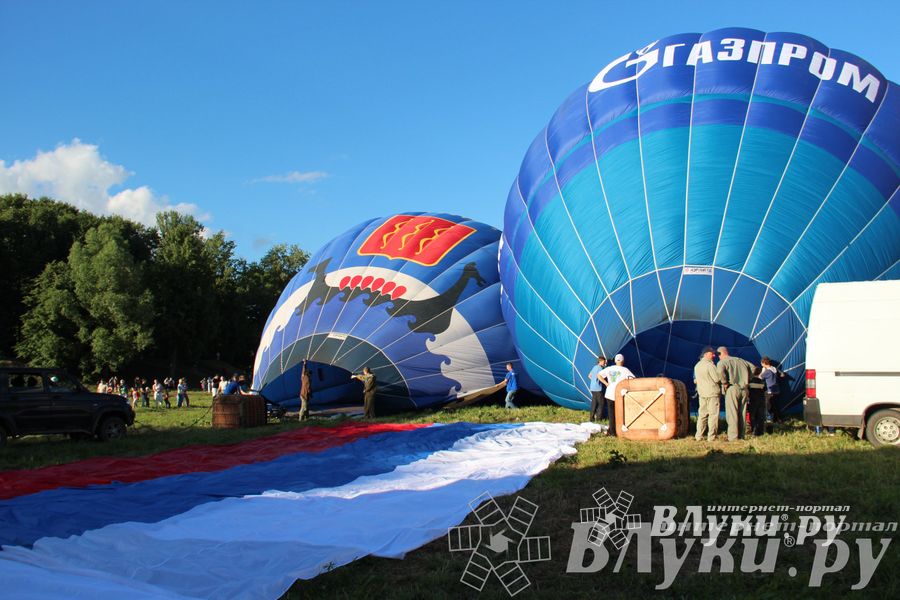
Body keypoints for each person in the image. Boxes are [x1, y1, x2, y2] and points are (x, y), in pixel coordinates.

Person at [717, 346, 755, 441]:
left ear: (720, 354)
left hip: (732, 388)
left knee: (732, 413)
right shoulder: (741, 360)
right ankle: (741, 435)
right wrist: (748, 378)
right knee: (742, 412)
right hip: (744, 389)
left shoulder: (722, 362)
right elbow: (753, 368)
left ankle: (733, 437)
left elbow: (720, 372)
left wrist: (724, 382)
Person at [597, 354, 635, 436]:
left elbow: (599, 375)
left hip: (609, 394)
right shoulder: (625, 370)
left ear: (615, 361)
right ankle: (619, 430)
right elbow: (633, 379)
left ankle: (612, 431)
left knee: (611, 413)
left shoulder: (609, 369)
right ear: (623, 361)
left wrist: (606, 383)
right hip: (620, 395)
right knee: (620, 413)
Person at [694, 347, 722, 441]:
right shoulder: (710, 365)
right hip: (712, 393)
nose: (714, 355)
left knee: (702, 415)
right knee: (713, 415)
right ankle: (711, 436)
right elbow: (717, 379)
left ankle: (699, 436)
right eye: (712, 354)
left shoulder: (697, 365)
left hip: (702, 393)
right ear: (706, 354)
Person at [587, 356, 608, 422]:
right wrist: (606, 383)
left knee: (594, 403)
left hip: (592, 388)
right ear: (601, 361)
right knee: (601, 404)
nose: (605, 363)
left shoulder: (594, 367)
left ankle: (591, 418)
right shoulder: (600, 369)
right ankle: (599, 419)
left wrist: (594, 380)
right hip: (598, 388)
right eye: (604, 362)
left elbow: (589, 376)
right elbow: (601, 377)